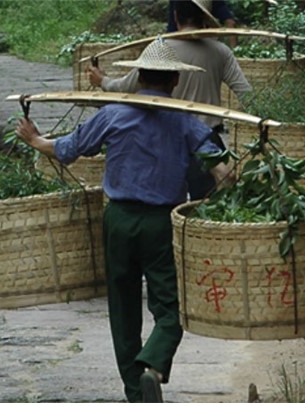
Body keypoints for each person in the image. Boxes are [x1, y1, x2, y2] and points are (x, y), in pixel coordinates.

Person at [16, 38, 234, 403]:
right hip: (161, 224)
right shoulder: (185, 121)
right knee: (170, 309)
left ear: (139, 78)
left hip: (118, 220)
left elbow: (68, 149)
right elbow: (224, 174)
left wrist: (35, 139)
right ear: (176, 81)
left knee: (123, 309)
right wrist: (218, 199)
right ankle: (154, 364)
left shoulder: (114, 114)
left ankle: (137, 393)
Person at [86, 0, 252, 200]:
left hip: (166, 140)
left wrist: (102, 80)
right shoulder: (220, 51)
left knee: (165, 201)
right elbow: (247, 94)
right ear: (205, 19)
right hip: (208, 141)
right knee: (203, 209)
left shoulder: (160, 51)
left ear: (175, 16)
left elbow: (124, 87)